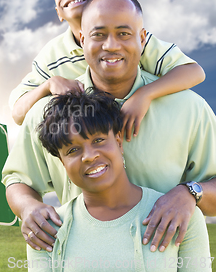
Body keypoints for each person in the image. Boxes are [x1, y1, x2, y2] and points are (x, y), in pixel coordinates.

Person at [2, 0, 216, 259]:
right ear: (82, 39)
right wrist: (28, 208)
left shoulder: (189, 108)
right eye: (98, 35)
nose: (111, 45)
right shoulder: (48, 113)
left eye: (124, 34)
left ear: (142, 38)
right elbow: (17, 179)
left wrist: (189, 193)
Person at [10, 0, 205, 145]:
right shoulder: (52, 55)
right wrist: (48, 85)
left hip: (145, 134)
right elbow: (18, 113)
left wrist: (144, 94)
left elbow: (194, 72)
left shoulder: (132, 41)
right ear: (59, 13)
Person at [24, 90, 211, 272]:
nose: (89, 156)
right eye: (72, 150)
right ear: (62, 163)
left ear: (119, 143)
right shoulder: (45, 229)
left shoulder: (180, 214)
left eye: (98, 140)